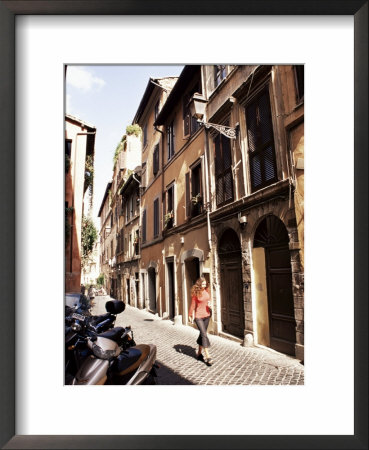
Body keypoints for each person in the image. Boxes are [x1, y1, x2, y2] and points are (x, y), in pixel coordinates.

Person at [188, 277, 213, 366]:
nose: (204, 285)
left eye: (205, 284)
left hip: (207, 315)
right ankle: (207, 355)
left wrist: (210, 305)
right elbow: (193, 305)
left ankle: (199, 353)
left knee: (202, 334)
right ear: (199, 284)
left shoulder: (207, 291)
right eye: (202, 284)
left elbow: (208, 301)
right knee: (204, 334)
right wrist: (190, 315)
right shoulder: (196, 293)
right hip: (199, 316)